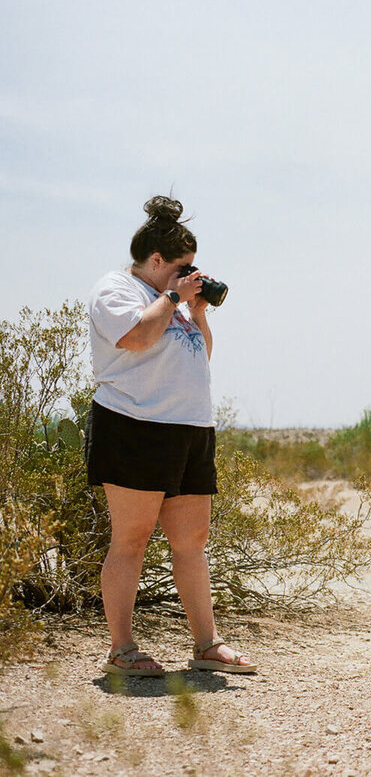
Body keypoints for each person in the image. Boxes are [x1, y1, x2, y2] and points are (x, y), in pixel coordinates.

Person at [86, 195, 255, 676]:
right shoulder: (116, 288)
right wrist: (176, 297)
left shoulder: (176, 300)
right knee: (132, 540)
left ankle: (207, 645)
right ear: (156, 260)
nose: (190, 275)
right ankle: (122, 650)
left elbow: (199, 354)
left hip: (190, 429)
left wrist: (196, 309)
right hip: (135, 426)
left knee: (192, 539)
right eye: (182, 267)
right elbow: (137, 338)